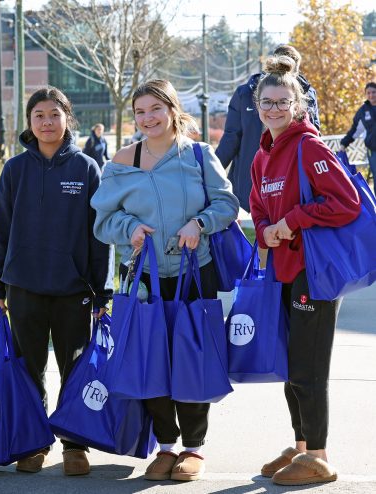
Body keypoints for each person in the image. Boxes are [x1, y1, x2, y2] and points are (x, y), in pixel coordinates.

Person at [91, 79, 239, 482]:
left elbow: (227, 204)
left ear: (173, 110)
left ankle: (193, 449)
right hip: (142, 278)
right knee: (149, 358)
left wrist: (200, 222)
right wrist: (130, 229)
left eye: (155, 108)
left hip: (194, 272)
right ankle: (166, 446)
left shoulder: (198, 155)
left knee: (192, 357)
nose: (148, 118)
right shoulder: (122, 160)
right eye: (140, 111)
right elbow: (102, 221)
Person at [0, 86, 113, 477]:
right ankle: (35, 440)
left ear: (67, 118)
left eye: (53, 114)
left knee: (73, 367)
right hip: (24, 286)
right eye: (38, 115)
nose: (46, 122)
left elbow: (99, 235)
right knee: (29, 368)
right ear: (29, 122)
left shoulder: (87, 168)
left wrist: (101, 291)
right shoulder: (15, 169)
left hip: (73, 289)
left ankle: (75, 444)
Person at [249, 55, 360, 486]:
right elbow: (258, 206)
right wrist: (264, 230)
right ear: (257, 105)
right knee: (290, 366)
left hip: (314, 272)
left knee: (308, 369)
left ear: (297, 105)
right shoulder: (263, 155)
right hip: (283, 267)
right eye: (267, 102)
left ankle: (319, 456)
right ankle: (299, 447)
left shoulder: (309, 147)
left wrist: (291, 221)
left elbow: (345, 202)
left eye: (282, 102)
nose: (274, 109)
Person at [216, 44, 320, 212]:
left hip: (292, 177)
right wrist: (211, 172)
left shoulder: (307, 95)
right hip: (250, 178)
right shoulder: (245, 93)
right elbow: (231, 138)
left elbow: (314, 133)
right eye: (267, 102)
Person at [340, 81, 376, 195]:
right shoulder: (363, 111)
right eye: (368, 93)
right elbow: (355, 130)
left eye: (374, 92)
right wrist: (344, 143)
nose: (371, 95)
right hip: (373, 151)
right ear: (365, 95)